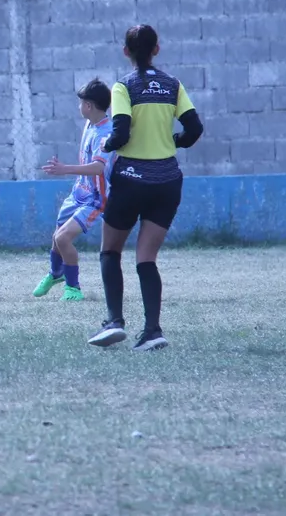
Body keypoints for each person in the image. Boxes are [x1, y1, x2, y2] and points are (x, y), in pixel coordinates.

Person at [88, 24, 204, 351]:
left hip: (131, 179)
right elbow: (194, 129)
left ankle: (114, 321)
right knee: (146, 258)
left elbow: (121, 132)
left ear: (126, 51)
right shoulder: (172, 85)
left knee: (110, 251)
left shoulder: (124, 86)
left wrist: (108, 144)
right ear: (157, 49)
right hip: (167, 181)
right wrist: (173, 141)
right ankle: (152, 331)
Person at [33, 77, 115, 302]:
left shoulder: (105, 134)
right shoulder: (90, 124)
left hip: (95, 199)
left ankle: (73, 289)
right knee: (56, 235)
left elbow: (98, 167)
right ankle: (56, 273)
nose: (79, 106)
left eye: (81, 103)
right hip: (79, 193)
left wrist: (64, 169)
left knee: (63, 238)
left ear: (88, 105)